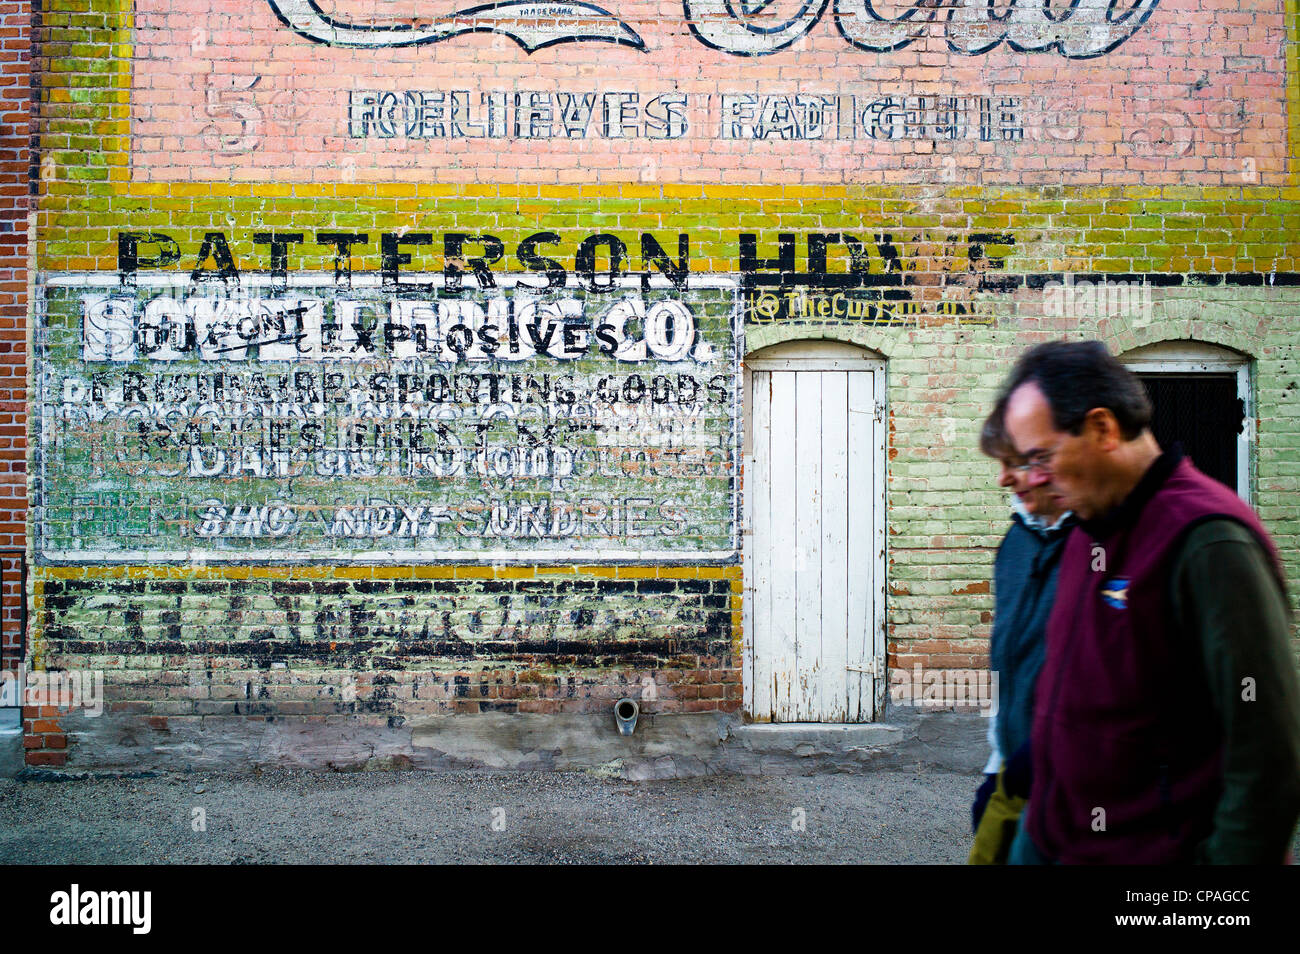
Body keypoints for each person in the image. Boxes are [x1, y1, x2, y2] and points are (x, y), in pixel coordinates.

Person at [995, 339, 1300, 864]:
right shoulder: (1088, 524)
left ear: (1102, 429)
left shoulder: (1210, 542)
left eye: (1041, 456)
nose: (1032, 479)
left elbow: (1268, 754)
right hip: (1048, 841)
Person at [968, 409, 1075, 864]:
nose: (1005, 479)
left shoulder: (1100, 544)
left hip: (1076, 782)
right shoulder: (1017, 544)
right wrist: (997, 764)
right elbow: (1008, 660)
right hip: (1017, 774)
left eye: (1018, 462)